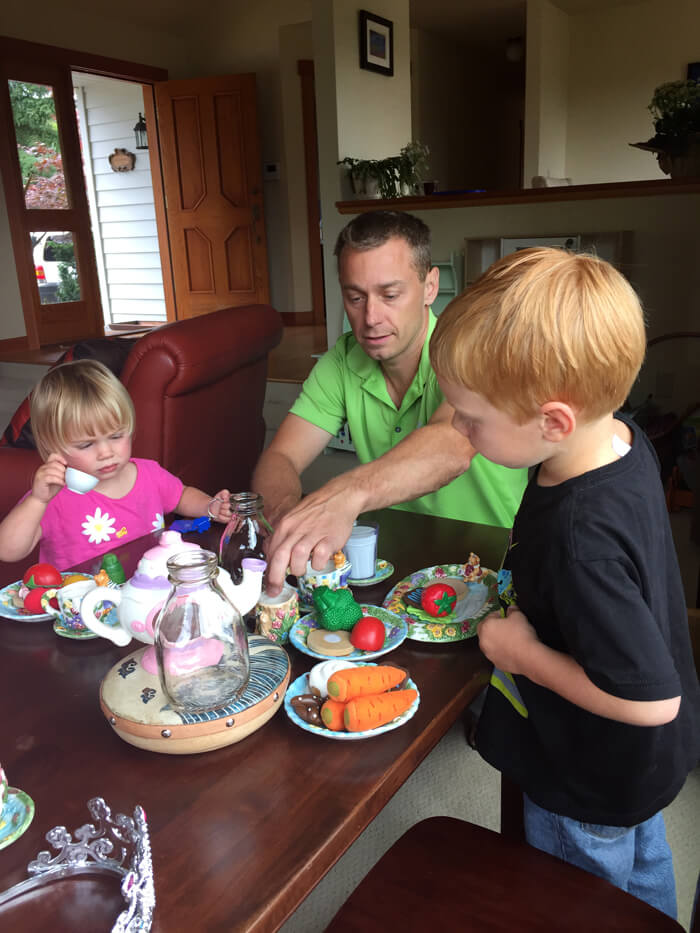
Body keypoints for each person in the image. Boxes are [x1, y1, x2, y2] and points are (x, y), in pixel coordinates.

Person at [429, 246, 700, 917]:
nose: (457, 425)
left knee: (576, 903)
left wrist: (522, 655)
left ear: (553, 421)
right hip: (637, 769)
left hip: (588, 773)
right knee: (643, 875)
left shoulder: (581, 541)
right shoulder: (619, 439)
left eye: (471, 416)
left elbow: (651, 701)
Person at [254, 211, 527, 591]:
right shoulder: (342, 361)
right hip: (394, 567)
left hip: (494, 565)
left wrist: (343, 496)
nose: (370, 317)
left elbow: (451, 447)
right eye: (355, 297)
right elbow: (281, 456)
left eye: (390, 295)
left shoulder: (474, 352)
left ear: (430, 286)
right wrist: (289, 519)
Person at [0, 359, 233, 570]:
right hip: (81, 602)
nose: (106, 453)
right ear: (54, 448)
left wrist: (209, 507)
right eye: (86, 445)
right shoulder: (52, 496)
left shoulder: (149, 474)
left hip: (148, 590)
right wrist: (37, 501)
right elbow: (8, 551)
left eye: (115, 436)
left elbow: (180, 495)